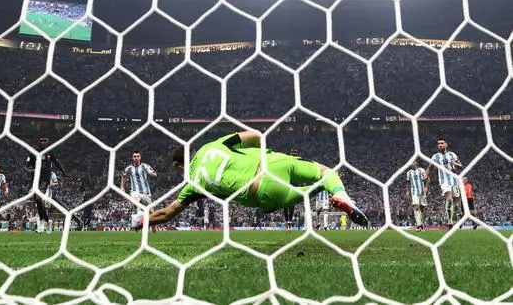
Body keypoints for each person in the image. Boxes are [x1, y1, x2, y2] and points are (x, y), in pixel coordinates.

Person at [134, 131, 368, 230]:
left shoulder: (193, 183)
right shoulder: (211, 146)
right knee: (325, 172)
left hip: (264, 193)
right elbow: (254, 135)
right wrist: (265, 152)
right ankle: (342, 195)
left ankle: (318, 190)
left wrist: (143, 221)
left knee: (299, 195)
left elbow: (168, 213)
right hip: (273, 162)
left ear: (179, 165)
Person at [24, 137, 68, 233]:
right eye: (41, 141)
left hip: (45, 180)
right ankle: (48, 221)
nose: (43, 142)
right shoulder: (33, 153)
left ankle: (44, 224)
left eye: (45, 141)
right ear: (38, 142)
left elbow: (57, 163)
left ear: (48, 143)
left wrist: (64, 173)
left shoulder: (50, 152)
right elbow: (26, 166)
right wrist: (31, 170)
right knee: (39, 204)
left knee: (39, 199)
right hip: (36, 181)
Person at [426, 137, 462, 227]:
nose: (440, 145)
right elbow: (430, 168)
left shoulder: (452, 154)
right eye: (438, 144)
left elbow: (461, 166)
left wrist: (455, 164)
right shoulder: (435, 157)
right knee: (449, 200)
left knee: (456, 202)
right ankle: (450, 222)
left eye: (442, 143)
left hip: (454, 181)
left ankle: (458, 213)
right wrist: (425, 175)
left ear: (446, 144)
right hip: (444, 182)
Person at [406, 160, 428, 232]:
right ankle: (419, 225)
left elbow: (427, 179)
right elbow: (408, 182)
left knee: (422, 208)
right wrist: (407, 191)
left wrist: (426, 187)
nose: (411, 163)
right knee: (416, 207)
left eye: (413, 162)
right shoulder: (409, 173)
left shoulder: (421, 170)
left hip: (422, 192)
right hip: (414, 192)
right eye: (411, 162)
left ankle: (422, 224)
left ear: (416, 163)